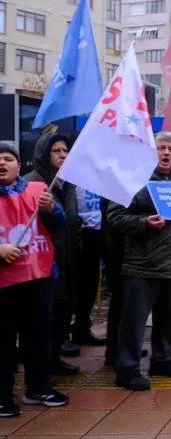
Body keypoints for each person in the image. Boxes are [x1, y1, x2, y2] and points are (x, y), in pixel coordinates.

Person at [106, 134, 171, 391]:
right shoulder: (133, 181)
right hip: (143, 264)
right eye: (160, 148)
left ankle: (162, 359)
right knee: (134, 321)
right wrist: (144, 223)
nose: (166, 152)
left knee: (170, 319)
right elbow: (115, 217)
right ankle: (127, 369)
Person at [0, 143, 69, 414]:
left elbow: (59, 226)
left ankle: (38, 387)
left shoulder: (38, 190)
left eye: (8, 159)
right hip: (3, 284)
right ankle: (2, 395)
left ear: (20, 165)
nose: (2, 164)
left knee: (39, 335)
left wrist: (52, 209)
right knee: (3, 339)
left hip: (38, 278)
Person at [23, 134, 80, 375]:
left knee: (61, 316)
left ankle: (54, 360)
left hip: (67, 261)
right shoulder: (29, 184)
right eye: (56, 151)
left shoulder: (67, 184)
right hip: (41, 264)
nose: (63, 155)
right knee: (40, 322)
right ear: (44, 154)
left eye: (65, 151)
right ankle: (38, 369)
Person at [72, 183, 106, 347]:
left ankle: (82, 328)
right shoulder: (73, 176)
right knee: (81, 284)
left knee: (91, 284)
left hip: (106, 230)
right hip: (83, 233)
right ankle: (74, 330)